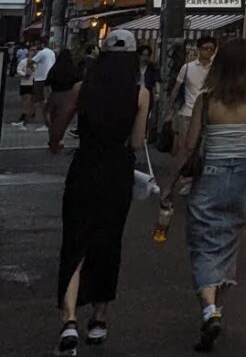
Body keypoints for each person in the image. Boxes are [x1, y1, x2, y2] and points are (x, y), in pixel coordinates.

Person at [159, 38, 246, 352]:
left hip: (210, 177)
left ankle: (209, 309)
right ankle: (215, 311)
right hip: (244, 180)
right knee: (227, 243)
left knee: (202, 244)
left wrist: (169, 186)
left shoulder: (207, 101)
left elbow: (187, 147)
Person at [47, 29, 149, 355]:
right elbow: (136, 142)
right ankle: (100, 319)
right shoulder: (140, 94)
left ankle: (69, 320)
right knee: (108, 242)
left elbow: (58, 127)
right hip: (117, 171)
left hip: (85, 167)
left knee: (75, 242)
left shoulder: (82, 88)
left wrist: (55, 143)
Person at [167, 36, 216, 194]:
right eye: (205, 48)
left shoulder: (215, 69)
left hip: (208, 114)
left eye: (211, 49)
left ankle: (196, 180)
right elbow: (176, 89)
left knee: (203, 148)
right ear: (198, 49)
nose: (208, 52)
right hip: (187, 112)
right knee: (185, 148)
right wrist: (170, 110)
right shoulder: (187, 68)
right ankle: (185, 180)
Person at [46, 49, 83, 131]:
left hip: (56, 94)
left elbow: (48, 82)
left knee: (55, 117)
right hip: (69, 94)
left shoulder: (55, 68)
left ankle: (54, 135)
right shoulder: (73, 68)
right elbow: (79, 79)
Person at [30, 39, 56, 131]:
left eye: (37, 44)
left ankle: (46, 123)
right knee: (47, 100)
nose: (36, 46)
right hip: (49, 77)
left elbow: (30, 62)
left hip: (40, 78)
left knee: (41, 101)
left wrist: (32, 54)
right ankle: (50, 122)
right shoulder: (52, 53)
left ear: (42, 44)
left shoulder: (41, 53)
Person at [10, 47, 34, 127]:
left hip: (32, 83)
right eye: (30, 52)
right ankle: (24, 114)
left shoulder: (36, 63)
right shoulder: (23, 61)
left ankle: (25, 115)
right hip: (24, 82)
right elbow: (19, 69)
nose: (31, 54)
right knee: (23, 99)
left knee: (28, 99)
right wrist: (24, 74)